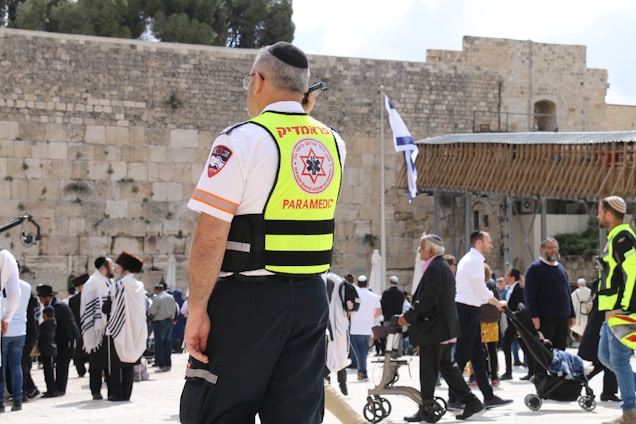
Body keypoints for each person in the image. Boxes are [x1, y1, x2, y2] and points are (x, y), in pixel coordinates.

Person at [179, 41, 345, 424]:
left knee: (216, 410)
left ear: (258, 81)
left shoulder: (241, 140)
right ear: (304, 91)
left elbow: (210, 236)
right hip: (309, 298)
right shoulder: (334, 142)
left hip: (246, 303)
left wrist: (198, 310)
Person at [399, 233, 485, 422]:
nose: (419, 251)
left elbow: (429, 300)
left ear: (430, 249)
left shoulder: (435, 268)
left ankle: (427, 409)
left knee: (428, 370)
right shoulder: (440, 266)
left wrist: (408, 316)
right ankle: (470, 402)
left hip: (435, 329)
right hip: (443, 328)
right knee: (447, 367)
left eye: (421, 248)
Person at [449, 230, 511, 410]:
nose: (491, 245)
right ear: (479, 243)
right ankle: (453, 398)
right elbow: (481, 290)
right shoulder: (474, 262)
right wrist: (497, 302)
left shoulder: (470, 260)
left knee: (477, 355)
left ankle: (488, 396)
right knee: (461, 356)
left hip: (469, 310)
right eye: (488, 242)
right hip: (467, 311)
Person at [595, 196, 636, 424]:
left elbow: (633, 271)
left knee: (618, 361)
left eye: (600, 211)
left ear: (609, 214)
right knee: (605, 357)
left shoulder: (622, 237)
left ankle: (630, 412)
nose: (598, 216)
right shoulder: (615, 237)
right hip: (611, 312)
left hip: (620, 311)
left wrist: (624, 307)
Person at [523, 237, 575, 377]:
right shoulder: (535, 269)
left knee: (560, 351)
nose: (553, 250)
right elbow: (529, 295)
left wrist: (572, 313)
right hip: (545, 318)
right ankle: (541, 380)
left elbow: (567, 291)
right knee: (542, 351)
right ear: (542, 250)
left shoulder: (560, 268)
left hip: (562, 316)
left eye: (555, 247)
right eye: (550, 247)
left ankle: (557, 381)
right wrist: (533, 315)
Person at [103, 251, 148, 402]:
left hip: (118, 330)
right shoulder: (140, 286)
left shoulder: (118, 286)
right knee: (129, 366)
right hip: (136, 330)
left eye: (119, 266)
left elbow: (106, 308)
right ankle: (127, 394)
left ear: (125, 269)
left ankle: (117, 394)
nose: (116, 269)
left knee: (116, 366)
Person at [578, 279, 620, 403]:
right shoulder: (610, 284)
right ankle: (577, 383)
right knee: (607, 359)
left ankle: (608, 391)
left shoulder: (601, 283)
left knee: (607, 360)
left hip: (602, 321)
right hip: (605, 321)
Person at [36, 283, 80, 396]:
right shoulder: (53, 305)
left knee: (62, 363)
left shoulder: (57, 306)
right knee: (60, 362)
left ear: (47, 298)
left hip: (67, 338)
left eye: (41, 298)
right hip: (61, 338)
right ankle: (57, 388)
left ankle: (60, 389)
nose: (40, 301)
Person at [80, 256, 113, 400]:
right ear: (105, 267)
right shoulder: (93, 283)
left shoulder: (108, 282)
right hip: (96, 329)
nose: (114, 268)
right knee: (96, 363)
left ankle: (111, 390)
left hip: (109, 329)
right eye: (112, 266)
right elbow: (89, 308)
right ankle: (96, 391)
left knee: (109, 363)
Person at [0, 261, 32, 411]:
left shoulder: (3, 286)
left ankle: (0, 401)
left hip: (4, 329)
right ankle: (17, 399)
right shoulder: (26, 286)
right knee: (16, 365)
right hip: (20, 330)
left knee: (2, 367)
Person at [350, 275, 382, 381]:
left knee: (360, 351)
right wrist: (369, 316)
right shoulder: (374, 296)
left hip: (355, 327)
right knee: (363, 351)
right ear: (367, 284)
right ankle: (362, 371)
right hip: (368, 327)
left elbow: (349, 312)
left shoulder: (354, 295)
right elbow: (378, 312)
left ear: (358, 284)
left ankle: (363, 371)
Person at [500, 268, 530, 380]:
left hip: (516, 322)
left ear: (512, 277)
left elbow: (520, 306)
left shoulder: (519, 289)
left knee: (507, 345)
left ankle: (509, 372)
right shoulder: (512, 289)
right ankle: (530, 371)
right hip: (513, 322)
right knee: (524, 346)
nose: (505, 277)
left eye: (507, 275)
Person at [148, 282, 176, 372]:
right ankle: (168, 364)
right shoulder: (170, 297)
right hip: (169, 321)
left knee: (159, 345)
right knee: (168, 344)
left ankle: (162, 365)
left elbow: (152, 312)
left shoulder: (157, 298)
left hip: (160, 322)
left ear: (156, 289)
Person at [68, 273, 89, 378]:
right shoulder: (92, 297)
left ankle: (81, 371)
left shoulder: (73, 300)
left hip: (79, 329)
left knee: (78, 353)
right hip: (91, 328)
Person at [39, 306, 58, 399]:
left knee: (48, 371)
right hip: (52, 349)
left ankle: (51, 390)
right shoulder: (54, 322)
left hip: (47, 350)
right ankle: (51, 389)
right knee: (50, 370)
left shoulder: (45, 324)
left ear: (44, 315)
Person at [172, 289, 185, 353]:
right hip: (181, 319)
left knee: (173, 333)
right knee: (181, 332)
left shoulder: (173, 301)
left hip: (174, 319)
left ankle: (174, 347)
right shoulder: (183, 301)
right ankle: (180, 347)